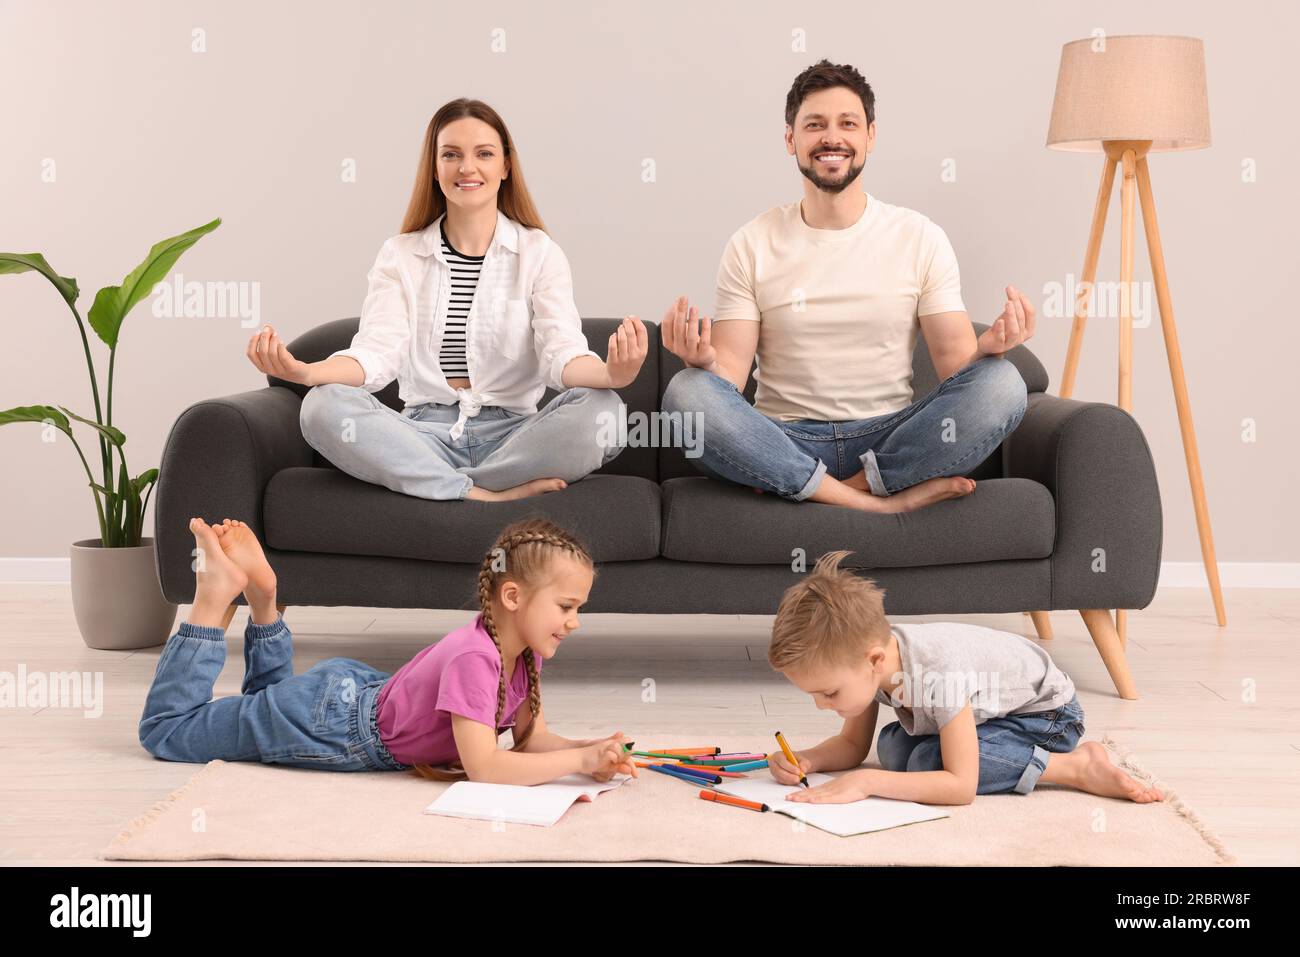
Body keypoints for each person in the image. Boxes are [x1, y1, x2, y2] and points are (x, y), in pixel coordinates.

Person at [661, 59, 1031, 514]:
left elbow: (956, 369)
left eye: (847, 124)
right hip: (782, 438)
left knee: (1003, 382)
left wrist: (989, 349)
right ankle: (878, 501)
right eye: (814, 124)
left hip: (891, 436)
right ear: (790, 139)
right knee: (687, 392)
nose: (831, 137)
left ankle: (841, 487)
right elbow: (730, 378)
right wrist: (703, 361)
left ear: (870, 136)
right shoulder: (751, 242)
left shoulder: (919, 236)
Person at [246, 98, 648, 502]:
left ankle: (439, 484)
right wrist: (307, 373)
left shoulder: (539, 253)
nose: (467, 168)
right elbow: (375, 354)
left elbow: (560, 354)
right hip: (422, 435)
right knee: (321, 406)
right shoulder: (399, 255)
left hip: (514, 436)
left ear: (505, 167)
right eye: (451, 155)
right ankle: (482, 491)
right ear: (435, 168)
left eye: (484, 154)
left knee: (605, 412)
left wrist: (612, 375)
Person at [138, 515, 638, 786]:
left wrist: (591, 751)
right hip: (333, 726)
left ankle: (265, 601)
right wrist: (577, 762)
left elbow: (530, 743)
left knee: (265, 705)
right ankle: (211, 603)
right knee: (168, 732)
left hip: (350, 698)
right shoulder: (476, 658)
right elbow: (487, 767)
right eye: (567, 606)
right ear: (514, 597)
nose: (574, 622)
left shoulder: (520, 655)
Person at [765, 551, 1164, 805]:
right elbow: (853, 746)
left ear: (873, 661)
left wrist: (867, 784)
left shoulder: (937, 671)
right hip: (989, 715)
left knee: (925, 762)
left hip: (1045, 718)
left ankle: (1076, 766)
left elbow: (960, 788)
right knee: (893, 747)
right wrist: (808, 759)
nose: (821, 704)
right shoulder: (873, 660)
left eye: (829, 692)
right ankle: (1052, 763)